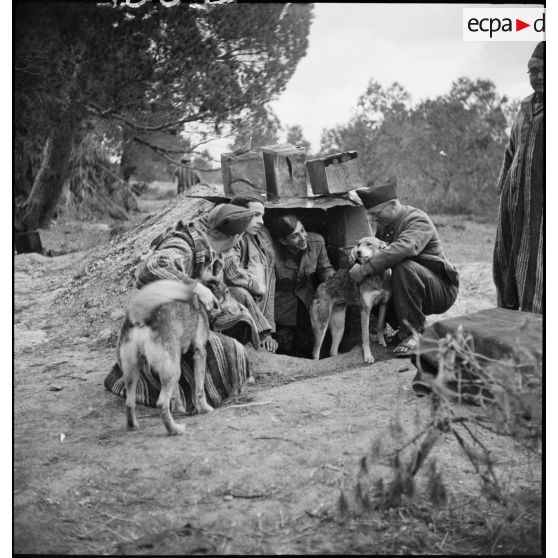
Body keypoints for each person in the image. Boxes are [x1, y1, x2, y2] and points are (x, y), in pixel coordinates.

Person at [104, 203, 260, 412]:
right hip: (152, 331)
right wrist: (196, 287)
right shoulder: (184, 244)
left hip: (180, 322)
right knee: (229, 351)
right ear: (236, 237)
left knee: (238, 314)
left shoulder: (213, 252)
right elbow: (152, 267)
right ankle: (174, 394)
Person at [349, 177, 459, 357]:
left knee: (402, 266)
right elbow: (377, 254)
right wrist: (356, 254)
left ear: (392, 205)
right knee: (377, 279)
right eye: (371, 216)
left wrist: (363, 269)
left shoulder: (417, 219)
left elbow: (403, 249)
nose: (374, 219)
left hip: (440, 289)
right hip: (414, 287)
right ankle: (398, 328)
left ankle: (413, 334)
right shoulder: (385, 225)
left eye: (376, 214)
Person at [493, 42, 544, 314]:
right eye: (532, 72)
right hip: (513, 201)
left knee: (536, 257)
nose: (537, 77)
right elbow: (511, 148)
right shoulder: (525, 107)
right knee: (507, 254)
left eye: (543, 70)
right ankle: (508, 314)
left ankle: (536, 322)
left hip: (542, 202)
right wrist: (504, 186)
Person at [268, 214, 335, 357]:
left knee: (311, 339)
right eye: (295, 236)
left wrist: (334, 282)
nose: (303, 238)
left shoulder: (317, 241)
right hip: (281, 304)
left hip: (307, 299)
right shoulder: (271, 252)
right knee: (284, 344)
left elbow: (324, 268)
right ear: (283, 241)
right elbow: (268, 288)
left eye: (303, 230)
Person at [222, 196, 278, 352]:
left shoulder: (261, 237)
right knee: (239, 291)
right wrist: (256, 286)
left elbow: (269, 288)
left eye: (262, 216)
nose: (261, 221)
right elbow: (232, 275)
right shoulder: (229, 237)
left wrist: (269, 331)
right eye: (255, 215)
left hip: (256, 316)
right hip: (229, 316)